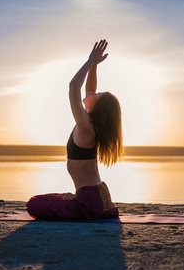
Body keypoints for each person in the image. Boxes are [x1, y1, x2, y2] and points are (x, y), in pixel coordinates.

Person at [26, 39, 123, 220]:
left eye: (97, 95)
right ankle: (76, 198)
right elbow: (89, 89)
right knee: (51, 198)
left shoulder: (87, 128)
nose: (92, 93)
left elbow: (74, 87)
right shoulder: (90, 124)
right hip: (92, 195)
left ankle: (78, 201)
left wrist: (89, 60)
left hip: (89, 201)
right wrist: (94, 64)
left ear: (99, 108)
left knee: (33, 204)